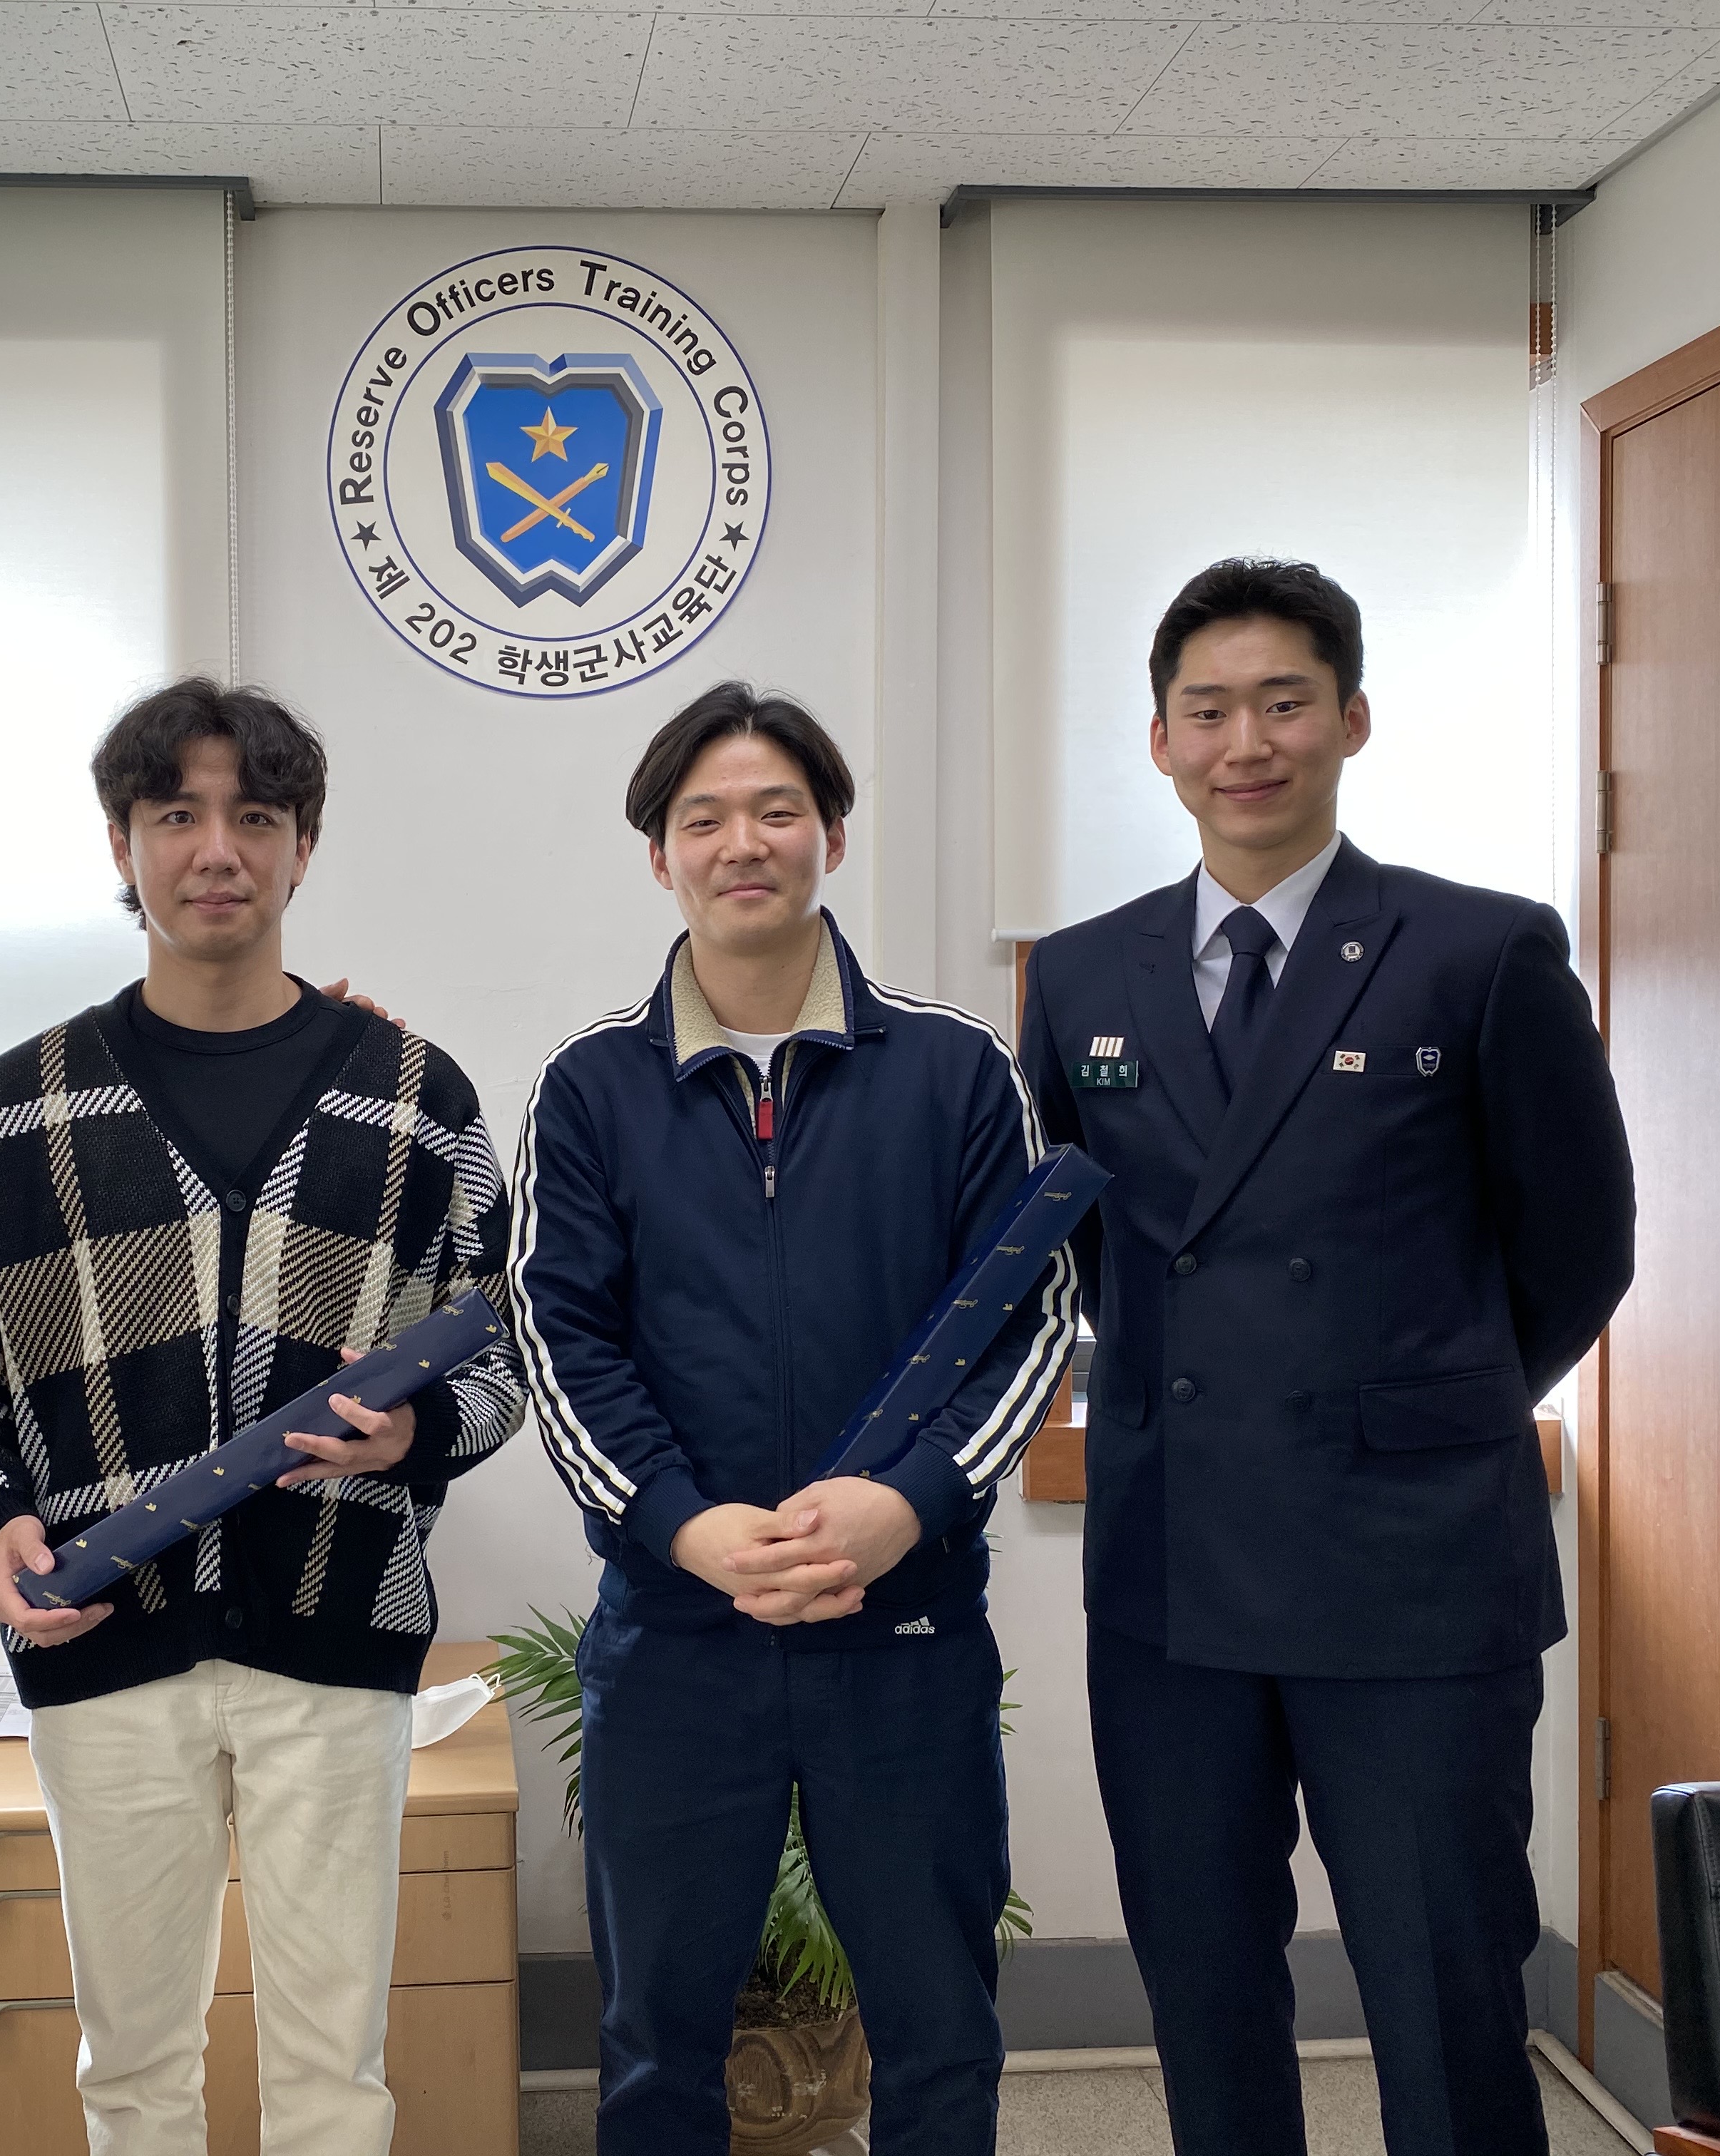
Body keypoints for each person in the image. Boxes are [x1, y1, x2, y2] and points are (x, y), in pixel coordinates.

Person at [1018, 559, 1635, 2156]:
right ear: (1159, 740)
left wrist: (1419, 1404)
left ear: (1351, 720)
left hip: (1414, 1565)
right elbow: (1075, 1246)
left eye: (1284, 703)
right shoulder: (1079, 973)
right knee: (1205, 1982)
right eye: (1209, 710)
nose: (1248, 743)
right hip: (1173, 1566)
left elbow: (1580, 1245)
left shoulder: (1479, 949)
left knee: (1445, 1992)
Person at [0, 678, 527, 2156]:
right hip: (99, 1625)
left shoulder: (414, 1095)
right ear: (120, 843)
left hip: (340, 1622)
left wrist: (422, 1434)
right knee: (133, 2064)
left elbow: (509, 1343)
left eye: (255, 816)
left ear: (302, 847)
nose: (216, 850)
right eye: (175, 814)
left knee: (335, 2064)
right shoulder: (20, 1105)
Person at [508, 682, 1076, 2156]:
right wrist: (685, 1527)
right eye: (703, 819)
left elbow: (1029, 1323)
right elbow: (561, 1340)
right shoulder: (590, 1087)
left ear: (832, 834)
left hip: (902, 1630)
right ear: (661, 857)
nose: (742, 844)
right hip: (676, 1636)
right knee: (655, 2046)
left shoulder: (953, 1068)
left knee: (939, 2029)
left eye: (777, 811)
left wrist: (909, 1504)